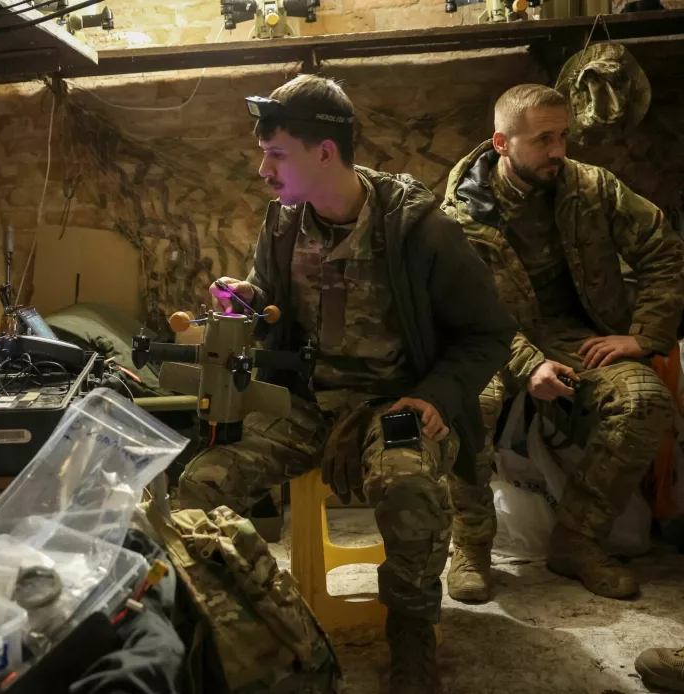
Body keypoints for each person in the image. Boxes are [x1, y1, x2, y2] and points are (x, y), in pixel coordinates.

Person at [177, 74, 516, 694]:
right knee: (201, 482)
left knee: (409, 486)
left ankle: (411, 633)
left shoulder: (420, 229)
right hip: (306, 404)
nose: (263, 170)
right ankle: (246, 629)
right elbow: (272, 302)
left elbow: (488, 333)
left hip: (396, 400)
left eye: (276, 154)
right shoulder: (283, 224)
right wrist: (247, 297)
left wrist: (437, 396)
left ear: (325, 152)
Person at [441, 84, 684, 603]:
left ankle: (577, 540)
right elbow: (465, 312)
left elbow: (663, 252)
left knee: (645, 401)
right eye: (543, 139)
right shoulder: (460, 215)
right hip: (490, 341)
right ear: (502, 143)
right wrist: (529, 364)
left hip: (576, 335)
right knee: (467, 405)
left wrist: (643, 334)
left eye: (564, 136)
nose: (558, 151)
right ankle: (471, 544)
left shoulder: (593, 188)